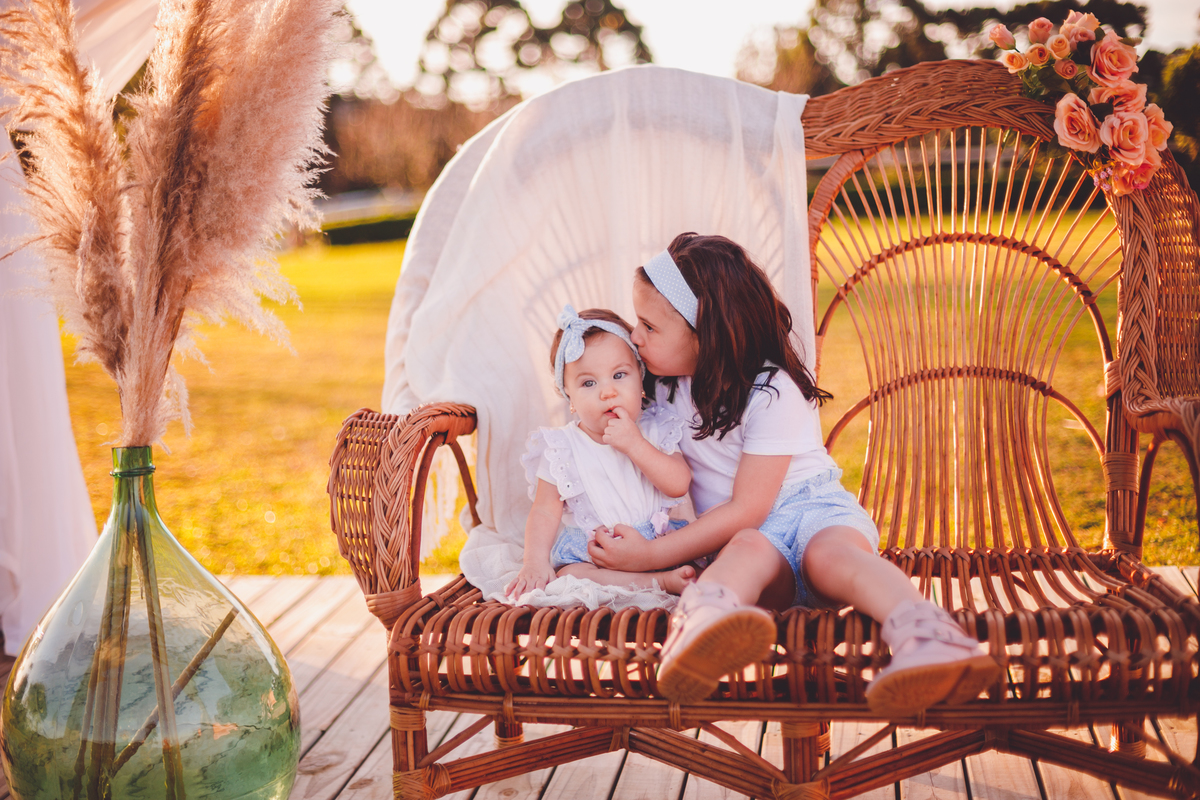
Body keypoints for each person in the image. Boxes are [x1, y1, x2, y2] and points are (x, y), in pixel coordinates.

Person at [588, 233, 999, 715]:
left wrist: (649, 556)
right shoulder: (663, 387)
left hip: (815, 511)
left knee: (829, 556)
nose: (636, 337)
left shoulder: (768, 390)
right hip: (757, 551)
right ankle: (704, 630)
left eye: (648, 327)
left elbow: (749, 507)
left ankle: (929, 635)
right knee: (746, 548)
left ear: (706, 334)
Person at [505, 305, 699, 600]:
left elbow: (679, 483)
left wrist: (635, 444)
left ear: (640, 379)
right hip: (599, 554)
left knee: (690, 553)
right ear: (569, 396)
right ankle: (659, 583)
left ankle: (662, 573)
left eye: (619, 375)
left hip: (659, 545)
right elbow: (545, 510)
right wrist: (534, 561)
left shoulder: (655, 430)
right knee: (570, 574)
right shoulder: (562, 448)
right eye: (589, 383)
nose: (607, 392)